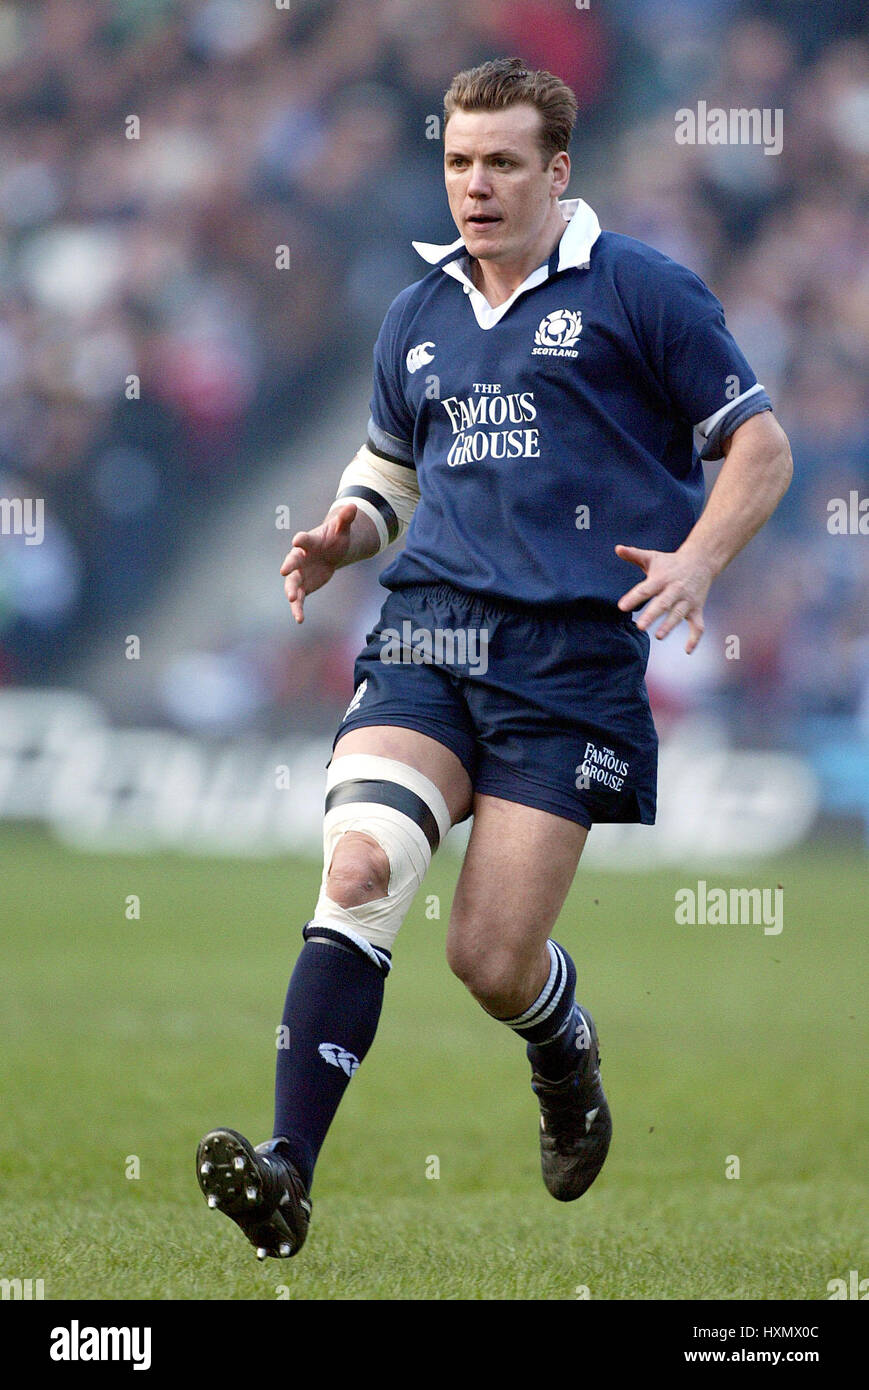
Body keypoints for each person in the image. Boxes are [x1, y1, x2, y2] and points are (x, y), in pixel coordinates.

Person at [196, 57, 792, 1260]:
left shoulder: (637, 290)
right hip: (427, 634)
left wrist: (697, 562)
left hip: (568, 667)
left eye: (502, 162)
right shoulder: (414, 314)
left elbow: (761, 448)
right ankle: (287, 1171)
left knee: (487, 956)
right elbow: (388, 477)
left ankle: (558, 1042)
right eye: (460, 162)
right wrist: (341, 533)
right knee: (360, 867)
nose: (475, 185)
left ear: (557, 170)